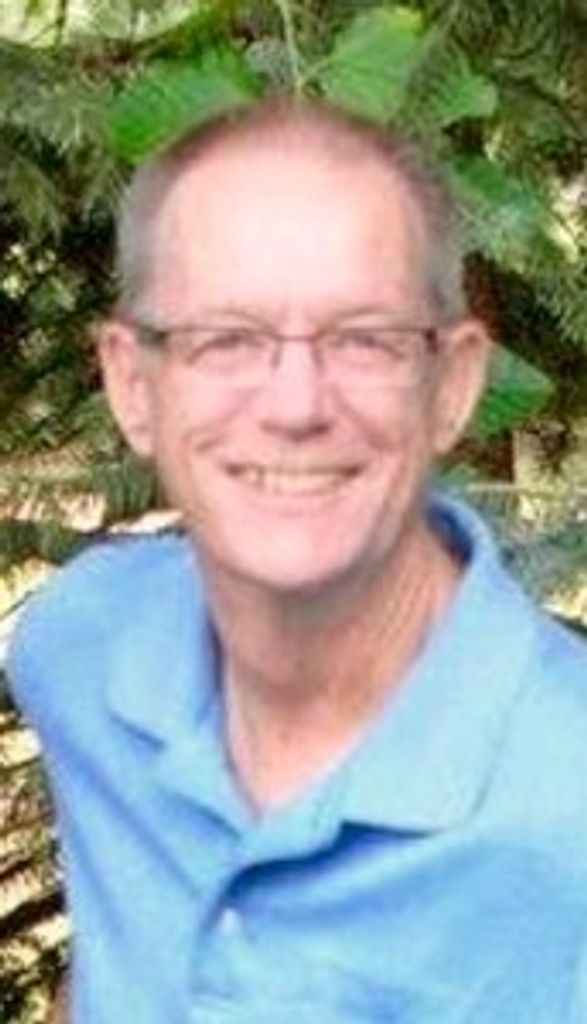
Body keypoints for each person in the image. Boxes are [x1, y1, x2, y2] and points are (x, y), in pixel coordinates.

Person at [8, 97, 587, 1024]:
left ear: (451, 384)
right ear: (132, 384)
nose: (294, 404)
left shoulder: (565, 803)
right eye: (224, 339)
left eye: (363, 339)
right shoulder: (83, 647)